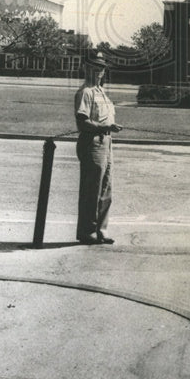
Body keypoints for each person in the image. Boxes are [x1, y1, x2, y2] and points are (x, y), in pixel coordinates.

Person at [74, 51, 122, 245]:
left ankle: (101, 230)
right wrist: (104, 127)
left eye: (101, 67)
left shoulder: (101, 91)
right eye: (94, 67)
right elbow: (82, 122)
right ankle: (87, 232)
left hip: (106, 141)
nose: (99, 71)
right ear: (86, 68)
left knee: (106, 189)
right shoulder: (86, 92)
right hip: (92, 142)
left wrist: (108, 129)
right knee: (91, 190)